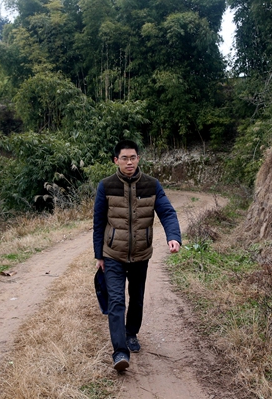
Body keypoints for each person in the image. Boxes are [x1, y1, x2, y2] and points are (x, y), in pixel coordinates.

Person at [93, 140, 182, 371]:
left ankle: (131, 333)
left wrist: (173, 236)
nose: (129, 162)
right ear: (116, 160)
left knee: (137, 297)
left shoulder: (151, 185)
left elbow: (167, 212)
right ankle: (120, 352)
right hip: (113, 254)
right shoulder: (106, 186)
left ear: (138, 158)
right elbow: (99, 222)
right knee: (116, 301)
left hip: (141, 254)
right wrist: (99, 255)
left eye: (133, 157)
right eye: (124, 158)